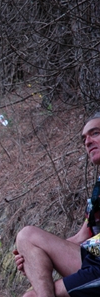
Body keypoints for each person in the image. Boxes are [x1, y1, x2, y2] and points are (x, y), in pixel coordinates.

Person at [13, 111, 100, 297]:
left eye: (95, 133)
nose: (87, 142)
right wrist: (34, 256)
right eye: (84, 138)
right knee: (26, 236)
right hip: (94, 259)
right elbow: (82, 237)